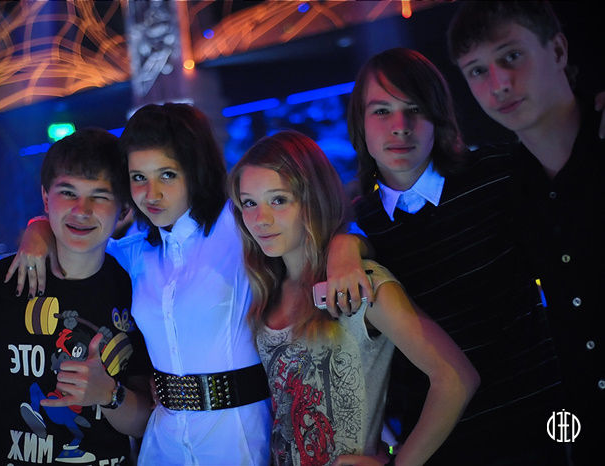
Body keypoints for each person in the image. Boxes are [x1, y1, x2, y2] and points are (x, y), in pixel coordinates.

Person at [5, 103, 372, 465]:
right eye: (138, 178)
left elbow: (321, 227)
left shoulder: (237, 225)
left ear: (194, 172)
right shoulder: (137, 252)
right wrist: (38, 228)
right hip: (164, 441)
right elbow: (80, 238)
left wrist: (345, 248)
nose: (152, 194)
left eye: (167, 175)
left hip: (239, 438)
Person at [347, 47, 571, 465]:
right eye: (382, 111)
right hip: (439, 446)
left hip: (542, 426)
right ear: (359, 124)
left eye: (415, 109)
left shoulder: (498, 172)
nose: (400, 127)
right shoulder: (360, 223)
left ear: (439, 115)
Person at [227, 129, 479, 466]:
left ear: (313, 199)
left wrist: (400, 463)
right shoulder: (264, 290)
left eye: (279, 200)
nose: (261, 219)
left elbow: (456, 379)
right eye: (249, 203)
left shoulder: (361, 283)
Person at [0, 128, 153, 466]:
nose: (81, 210)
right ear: (45, 198)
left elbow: (144, 423)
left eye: (99, 196)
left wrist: (109, 394)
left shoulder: (138, 291)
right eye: (68, 192)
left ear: (124, 210)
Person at [448, 2, 604, 463]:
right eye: (477, 71)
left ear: (557, 50)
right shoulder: (509, 185)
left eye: (511, 56)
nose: (498, 84)